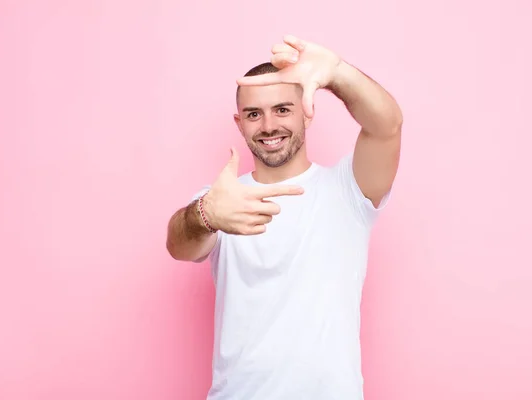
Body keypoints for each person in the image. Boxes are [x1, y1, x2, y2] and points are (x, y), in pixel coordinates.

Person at [166, 34, 402, 400]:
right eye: (254, 114)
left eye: (282, 109)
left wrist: (337, 73)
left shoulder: (348, 190)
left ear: (307, 110)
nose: (268, 126)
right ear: (239, 122)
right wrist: (205, 214)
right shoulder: (222, 199)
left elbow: (387, 126)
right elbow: (179, 245)